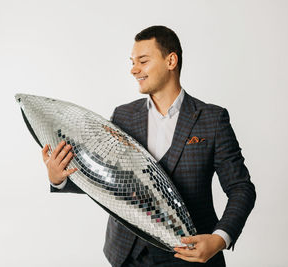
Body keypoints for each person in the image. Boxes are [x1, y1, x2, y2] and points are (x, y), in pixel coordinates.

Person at [42, 25, 256, 266]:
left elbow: (241, 189)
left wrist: (219, 239)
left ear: (171, 61)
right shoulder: (123, 117)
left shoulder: (211, 119)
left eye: (142, 61)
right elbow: (107, 182)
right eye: (132, 62)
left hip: (191, 256)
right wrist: (58, 178)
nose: (134, 70)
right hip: (126, 255)